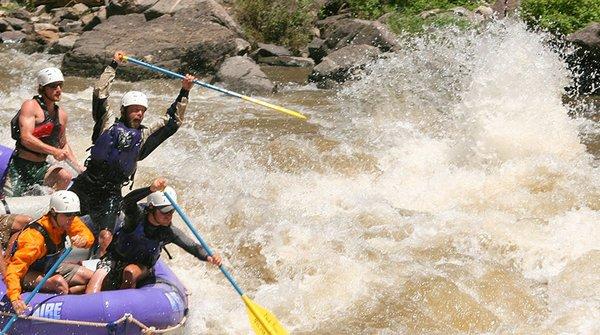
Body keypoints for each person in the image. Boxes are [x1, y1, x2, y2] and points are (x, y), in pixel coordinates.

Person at [69, 51, 196, 258]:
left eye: (141, 110)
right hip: (88, 183)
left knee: (106, 236)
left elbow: (173, 122)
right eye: (134, 109)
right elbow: (100, 93)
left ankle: (96, 262)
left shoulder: (144, 135)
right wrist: (113, 65)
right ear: (124, 110)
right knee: (62, 218)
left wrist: (184, 91)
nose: (139, 113)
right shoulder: (107, 121)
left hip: (111, 192)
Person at [86, 178, 221, 293]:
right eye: (164, 211)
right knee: (97, 279)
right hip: (115, 259)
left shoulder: (168, 231)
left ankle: (124, 306)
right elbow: (127, 201)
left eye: (172, 211)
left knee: (130, 272)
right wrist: (150, 189)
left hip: (141, 267)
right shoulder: (136, 217)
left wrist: (209, 256)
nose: (169, 215)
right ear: (151, 208)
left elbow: (191, 246)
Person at [4, 190, 95, 315]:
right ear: (53, 212)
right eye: (68, 215)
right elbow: (14, 270)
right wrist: (14, 298)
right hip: (27, 274)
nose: (71, 218)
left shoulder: (66, 220)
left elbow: (87, 236)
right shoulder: (34, 239)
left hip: (50, 268)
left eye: (74, 214)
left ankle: (87, 310)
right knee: (59, 282)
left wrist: (83, 240)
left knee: (91, 277)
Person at [3, 67, 83, 197]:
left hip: (41, 167)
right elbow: (26, 138)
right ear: (43, 88)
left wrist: (79, 168)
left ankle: (52, 212)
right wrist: (54, 151)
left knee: (65, 176)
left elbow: (63, 145)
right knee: (11, 204)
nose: (58, 89)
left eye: (60, 85)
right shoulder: (30, 106)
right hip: (19, 166)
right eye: (53, 86)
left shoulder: (62, 115)